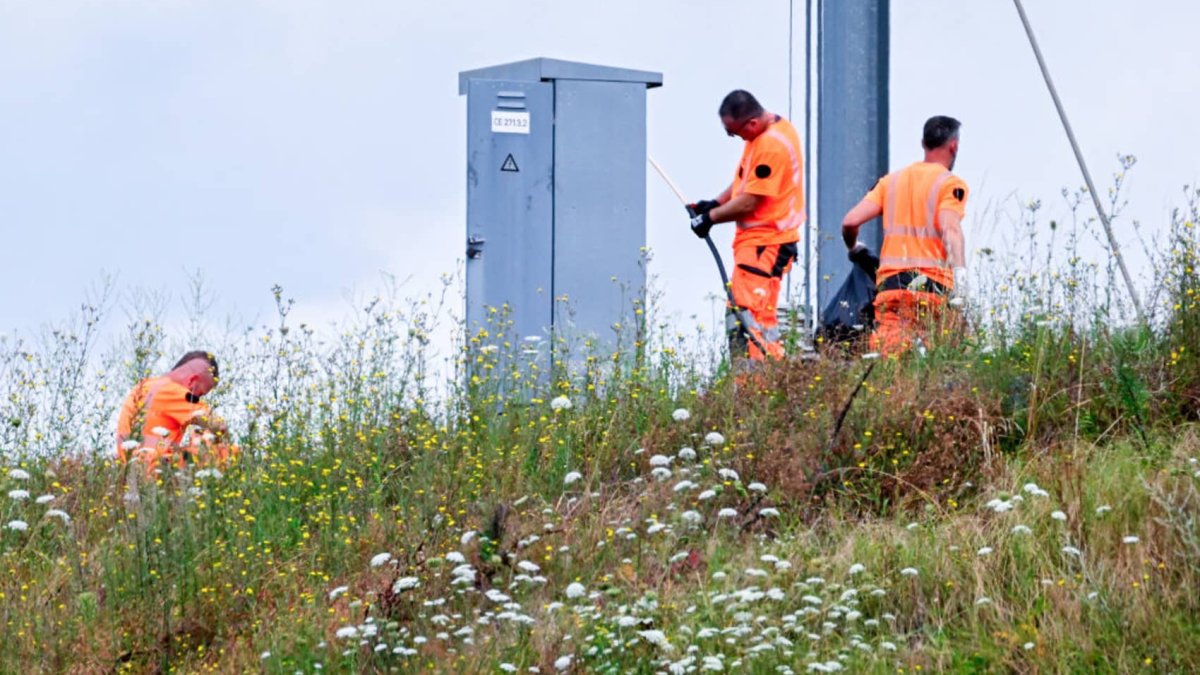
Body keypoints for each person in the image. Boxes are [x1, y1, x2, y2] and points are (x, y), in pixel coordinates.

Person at [688, 90, 805, 361]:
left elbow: (750, 202)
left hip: (767, 243)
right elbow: (746, 183)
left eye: (734, 132)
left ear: (751, 123)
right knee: (743, 316)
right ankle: (752, 383)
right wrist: (714, 203)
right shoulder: (761, 136)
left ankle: (762, 383)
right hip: (756, 245)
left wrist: (710, 219)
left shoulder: (771, 145)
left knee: (754, 318)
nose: (734, 138)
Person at [840, 115, 968, 356]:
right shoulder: (951, 184)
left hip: (891, 287)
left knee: (890, 361)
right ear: (954, 146)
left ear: (923, 143)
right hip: (932, 289)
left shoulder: (891, 181)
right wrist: (961, 276)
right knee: (935, 364)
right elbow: (950, 228)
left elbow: (849, 222)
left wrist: (854, 248)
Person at [115, 350, 234, 472]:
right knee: (229, 453)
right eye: (201, 394)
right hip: (155, 472)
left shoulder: (144, 385)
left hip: (132, 471)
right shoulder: (173, 391)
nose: (200, 399)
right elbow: (220, 426)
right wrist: (218, 439)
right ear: (192, 382)